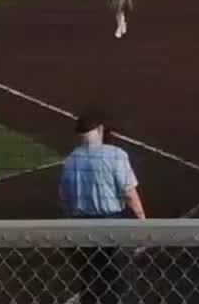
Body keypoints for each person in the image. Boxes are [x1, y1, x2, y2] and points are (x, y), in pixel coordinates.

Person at [59, 109, 146, 304]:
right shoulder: (115, 155)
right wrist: (142, 223)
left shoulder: (70, 161)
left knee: (90, 282)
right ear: (100, 129)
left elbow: (64, 199)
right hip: (112, 226)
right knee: (120, 282)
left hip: (80, 230)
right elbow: (130, 194)